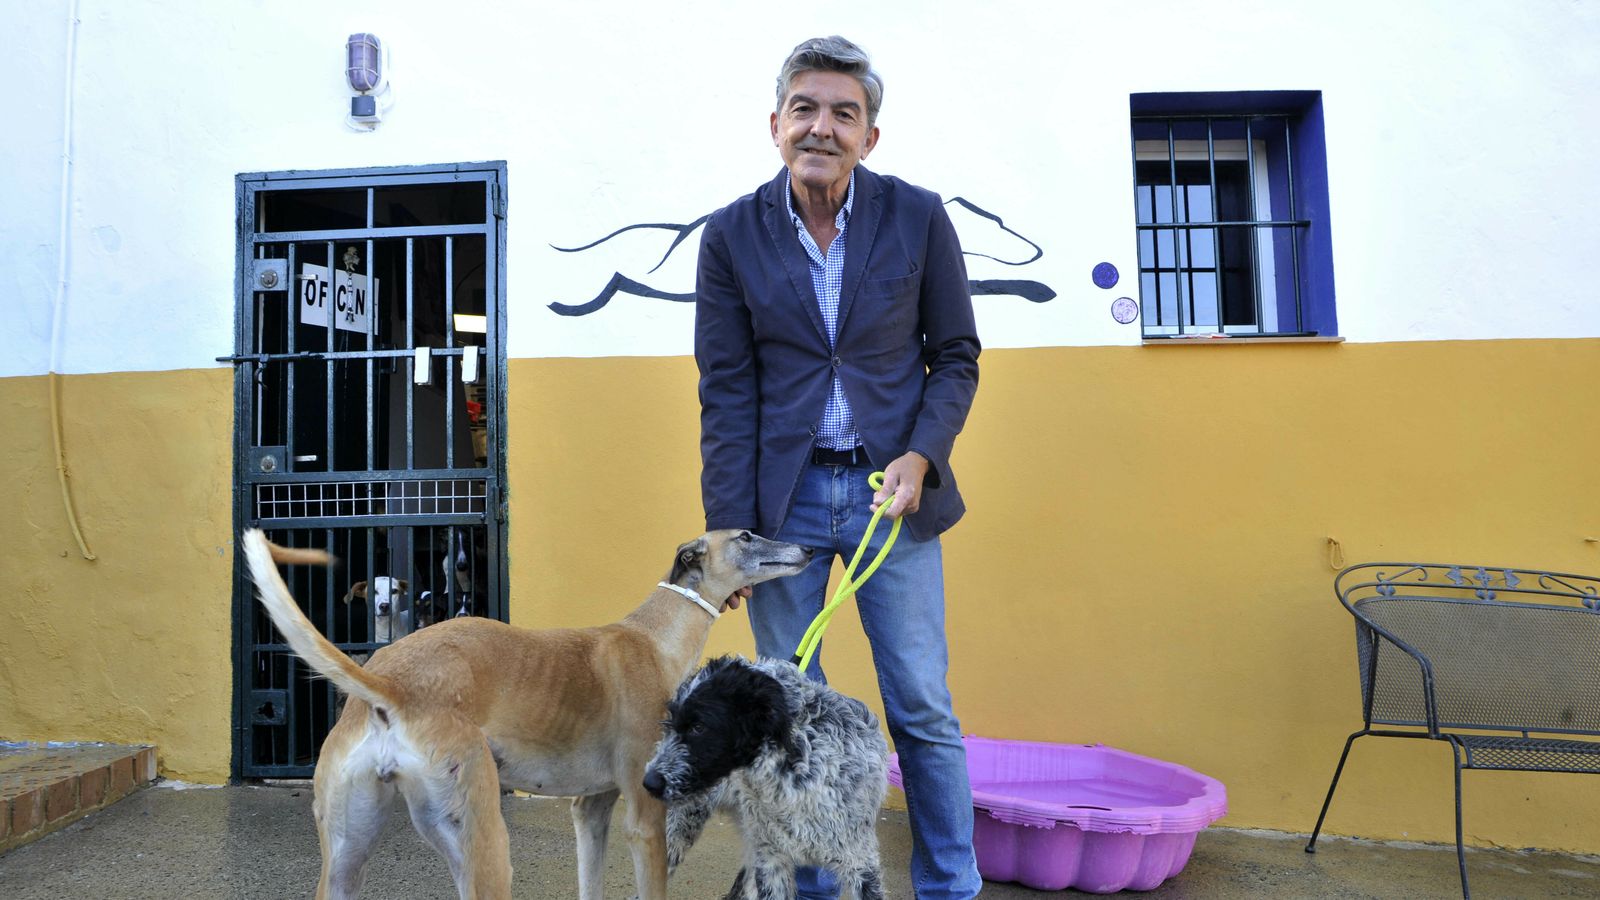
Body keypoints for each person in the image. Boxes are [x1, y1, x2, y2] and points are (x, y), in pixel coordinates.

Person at [694, 34, 983, 900]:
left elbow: (957, 355)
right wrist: (728, 532)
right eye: (805, 109)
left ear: (870, 135)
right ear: (776, 124)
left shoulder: (919, 217)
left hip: (888, 499)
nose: (822, 127)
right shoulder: (730, 236)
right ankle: (813, 892)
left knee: (921, 709)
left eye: (844, 114)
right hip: (780, 511)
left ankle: (948, 886)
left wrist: (922, 455)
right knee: (790, 717)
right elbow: (726, 390)